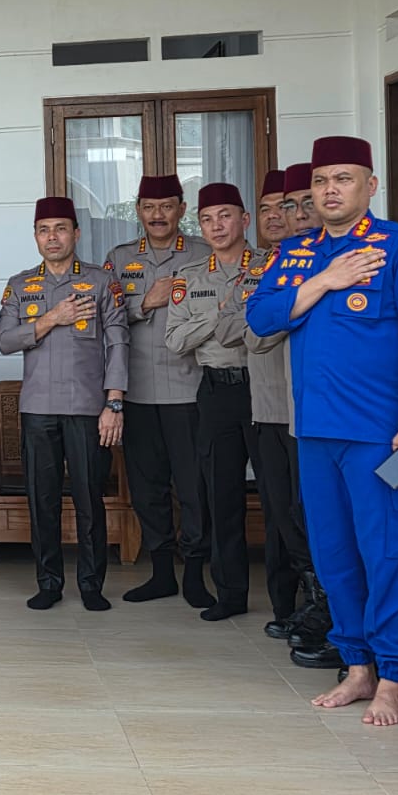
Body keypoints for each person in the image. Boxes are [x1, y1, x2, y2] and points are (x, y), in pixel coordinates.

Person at [247, 136, 398, 726]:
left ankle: (393, 676)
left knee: (387, 552)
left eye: (343, 178)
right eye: (320, 181)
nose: (329, 190)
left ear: (370, 186)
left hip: (382, 438)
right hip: (315, 433)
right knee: (334, 555)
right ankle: (356, 666)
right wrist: (325, 280)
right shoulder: (297, 253)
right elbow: (259, 317)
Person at [0, 197, 127, 611]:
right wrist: (51, 318)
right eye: (44, 230)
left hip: (87, 408)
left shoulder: (101, 282)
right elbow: (5, 341)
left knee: (89, 498)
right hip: (38, 408)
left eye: (60, 229)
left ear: (76, 233)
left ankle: (91, 584)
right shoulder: (20, 285)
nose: (52, 237)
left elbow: (118, 342)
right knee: (42, 499)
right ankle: (48, 582)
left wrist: (114, 403)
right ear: (36, 237)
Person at [102, 175, 213, 607]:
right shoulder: (120, 258)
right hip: (138, 392)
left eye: (166, 206)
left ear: (181, 210)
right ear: (138, 211)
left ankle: (196, 574)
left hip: (191, 390)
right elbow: (106, 317)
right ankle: (162, 573)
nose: (158, 215)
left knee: (194, 488)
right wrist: (145, 302)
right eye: (149, 207)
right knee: (147, 490)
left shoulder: (202, 253)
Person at [165, 183, 257, 621]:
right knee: (222, 496)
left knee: (281, 495)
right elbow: (175, 340)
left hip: (264, 390)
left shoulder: (271, 267)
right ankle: (231, 594)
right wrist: (220, 316)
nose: (216, 226)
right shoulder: (190, 277)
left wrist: (209, 323)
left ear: (245, 219)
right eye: (207, 219)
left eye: (225, 215)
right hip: (216, 390)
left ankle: (290, 597)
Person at [266, 164, 341, 671]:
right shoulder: (286, 263)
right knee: (304, 515)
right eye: (290, 205)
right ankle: (325, 613)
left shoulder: (376, 252)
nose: (296, 214)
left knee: (343, 525)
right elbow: (256, 323)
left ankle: (345, 628)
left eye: (303, 203)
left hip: (360, 419)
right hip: (300, 414)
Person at [243, 172, 308, 640]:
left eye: (287, 206)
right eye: (271, 208)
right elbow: (253, 333)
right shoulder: (266, 268)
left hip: (312, 415)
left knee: (311, 517)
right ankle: (289, 607)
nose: (281, 216)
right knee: (280, 514)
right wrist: (301, 306)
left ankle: (321, 608)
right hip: (268, 408)